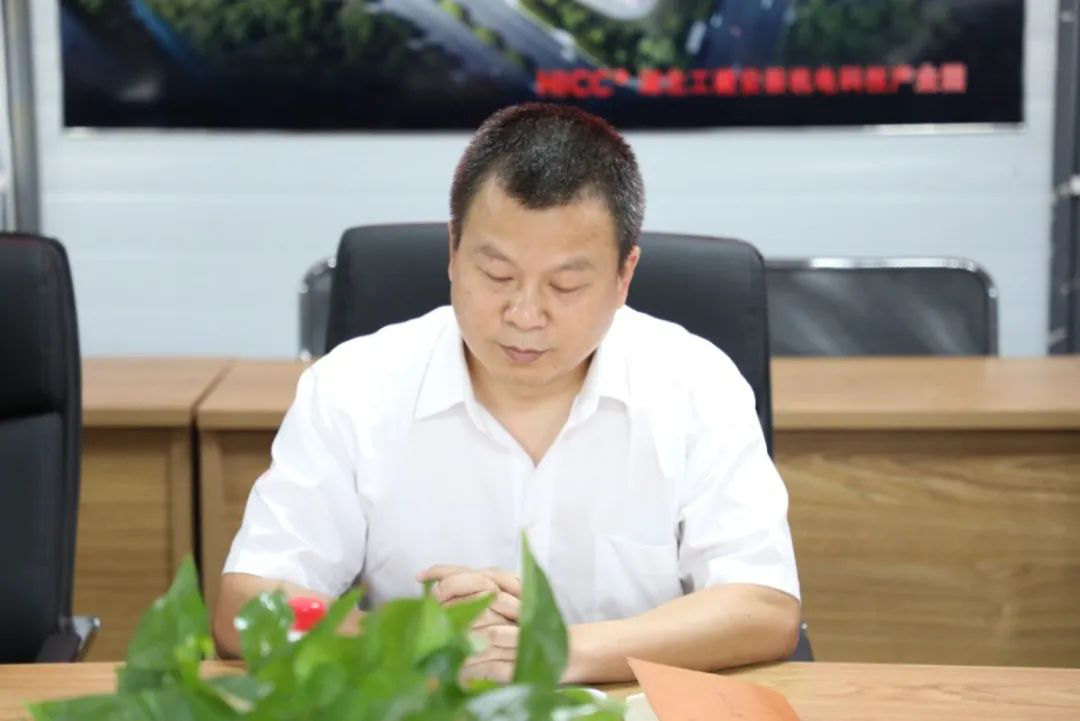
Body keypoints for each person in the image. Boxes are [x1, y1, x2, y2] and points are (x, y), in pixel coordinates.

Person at [214, 103, 801, 683]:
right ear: (453, 250)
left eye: (565, 285)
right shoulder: (354, 387)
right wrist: (420, 640)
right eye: (497, 275)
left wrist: (556, 651)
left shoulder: (696, 385)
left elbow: (763, 606)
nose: (524, 314)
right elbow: (248, 605)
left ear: (625, 274)